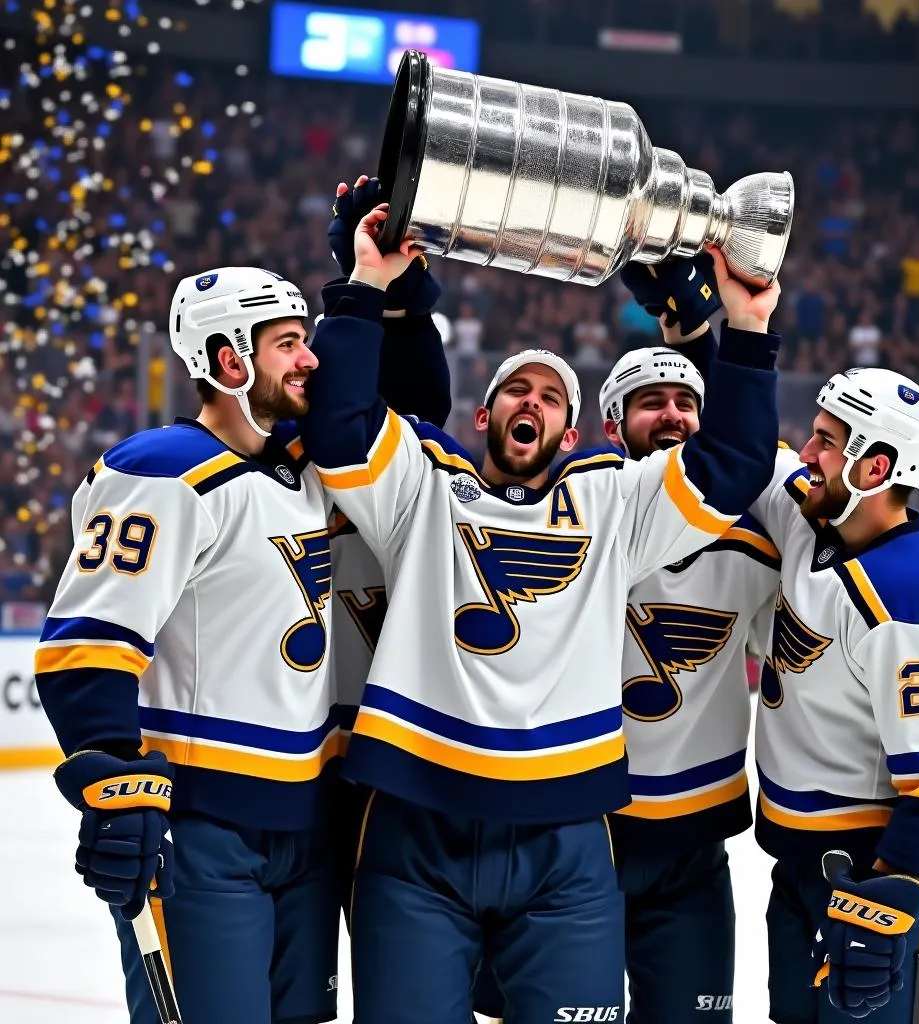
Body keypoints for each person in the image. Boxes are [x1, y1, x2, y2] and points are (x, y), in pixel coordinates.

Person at [300, 202, 784, 1024]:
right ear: (483, 418)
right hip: (416, 822)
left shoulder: (612, 502)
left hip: (565, 835)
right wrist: (366, 284)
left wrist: (745, 323)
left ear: (569, 431)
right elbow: (342, 429)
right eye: (516, 390)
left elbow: (731, 463)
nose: (534, 400)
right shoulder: (421, 487)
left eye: (552, 395)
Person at [35, 265, 354, 1024]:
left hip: (309, 827)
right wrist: (116, 781)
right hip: (204, 831)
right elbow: (88, 644)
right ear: (229, 359)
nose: (308, 358)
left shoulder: (313, 469)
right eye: (287, 343)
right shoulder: (159, 474)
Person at [750, 367, 919, 1023]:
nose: (807, 454)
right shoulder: (816, 516)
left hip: (888, 873)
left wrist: (882, 907)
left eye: (826, 442)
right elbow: (756, 455)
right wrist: (693, 325)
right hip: (810, 866)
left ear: (874, 466)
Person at [602, 255, 782, 1024]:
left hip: (694, 849)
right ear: (611, 425)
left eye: (686, 403)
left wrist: (705, 335)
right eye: (650, 403)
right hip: (579, 839)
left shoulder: (754, 531)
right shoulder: (581, 516)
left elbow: (740, 453)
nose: (672, 415)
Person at [323, 174, 453, 914]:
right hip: (290, 762)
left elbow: (415, 408)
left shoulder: (414, 479)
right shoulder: (266, 472)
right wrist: (365, 287)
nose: (311, 365)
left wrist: (386, 295)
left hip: (400, 763)